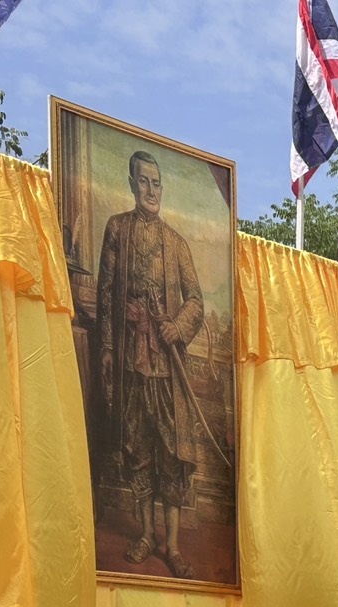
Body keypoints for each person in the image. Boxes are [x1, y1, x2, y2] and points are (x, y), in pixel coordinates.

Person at [96, 149, 205, 580]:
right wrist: (108, 346)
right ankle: (145, 534)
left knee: (171, 454)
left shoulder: (176, 243)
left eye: (156, 183)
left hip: (167, 368)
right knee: (137, 448)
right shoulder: (116, 230)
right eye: (143, 181)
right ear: (131, 183)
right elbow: (106, 294)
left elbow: (195, 300)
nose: (151, 190)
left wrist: (178, 326)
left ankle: (172, 545)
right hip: (130, 362)